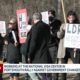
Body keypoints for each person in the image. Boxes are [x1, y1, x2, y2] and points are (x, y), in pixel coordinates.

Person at [24, 13, 52, 80]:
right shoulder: (47, 26)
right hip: (46, 52)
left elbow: (33, 42)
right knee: (46, 75)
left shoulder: (35, 27)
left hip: (38, 55)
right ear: (41, 18)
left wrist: (29, 55)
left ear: (34, 19)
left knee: (42, 75)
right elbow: (49, 38)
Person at [57, 10, 80, 80]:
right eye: (69, 17)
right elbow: (59, 36)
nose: (71, 18)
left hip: (74, 49)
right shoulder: (63, 25)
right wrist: (63, 30)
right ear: (67, 18)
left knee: (77, 66)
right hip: (64, 49)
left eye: (72, 17)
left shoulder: (78, 26)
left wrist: (78, 46)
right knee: (63, 68)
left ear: (75, 17)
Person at [48, 9, 61, 80]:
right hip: (46, 46)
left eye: (51, 14)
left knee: (54, 63)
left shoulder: (57, 22)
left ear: (54, 15)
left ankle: (55, 78)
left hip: (53, 45)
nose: (49, 15)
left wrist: (51, 31)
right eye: (48, 14)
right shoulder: (45, 23)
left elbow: (57, 34)